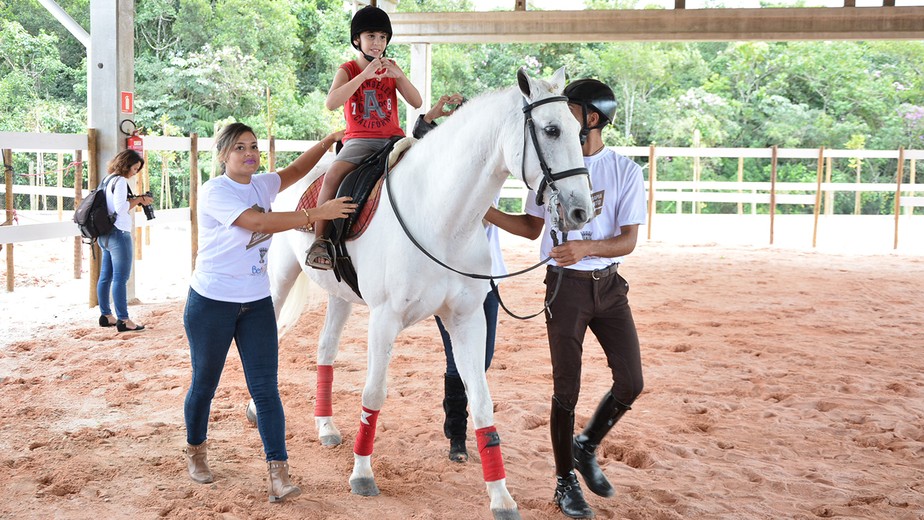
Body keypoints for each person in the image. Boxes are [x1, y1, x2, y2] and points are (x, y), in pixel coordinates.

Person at [485, 79, 646, 519]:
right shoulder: (551, 164)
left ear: (591, 118)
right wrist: (485, 210)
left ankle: (586, 444)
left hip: (609, 287)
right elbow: (530, 227)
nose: (560, 114)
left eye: (570, 108)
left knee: (632, 381)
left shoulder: (626, 171)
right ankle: (563, 482)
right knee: (566, 390)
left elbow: (628, 241)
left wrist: (585, 248)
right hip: (565, 288)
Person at [182, 123, 356, 502]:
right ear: (224, 154)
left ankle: (279, 474)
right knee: (205, 384)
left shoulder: (261, 184)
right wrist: (318, 213)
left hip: (256, 303)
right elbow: (258, 222)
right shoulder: (216, 191)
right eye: (240, 148)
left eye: (254, 147)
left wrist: (325, 143)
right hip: (212, 302)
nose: (249, 153)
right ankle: (196, 450)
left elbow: (294, 172)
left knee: (265, 389)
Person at [412, 94, 508, 463]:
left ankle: (461, 426)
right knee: (459, 360)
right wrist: (432, 115)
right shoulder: (449, 172)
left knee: (481, 361)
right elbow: (424, 145)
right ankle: (457, 433)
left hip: (486, 274)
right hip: (449, 276)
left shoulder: (490, 167)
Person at [305, 5, 422, 270]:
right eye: (371, 36)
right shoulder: (348, 69)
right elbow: (331, 103)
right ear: (357, 39)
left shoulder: (392, 68)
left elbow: (416, 101)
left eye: (382, 37)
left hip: (393, 138)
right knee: (334, 175)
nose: (377, 43)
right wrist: (365, 76)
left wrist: (400, 76)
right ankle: (320, 239)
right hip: (360, 139)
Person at [97, 149, 153, 332]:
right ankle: (123, 320)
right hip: (118, 234)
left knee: (105, 277)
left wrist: (136, 199)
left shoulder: (107, 179)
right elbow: (121, 208)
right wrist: (140, 200)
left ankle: (106, 315)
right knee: (120, 279)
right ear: (126, 165)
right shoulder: (120, 181)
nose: (134, 172)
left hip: (103, 234)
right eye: (135, 168)